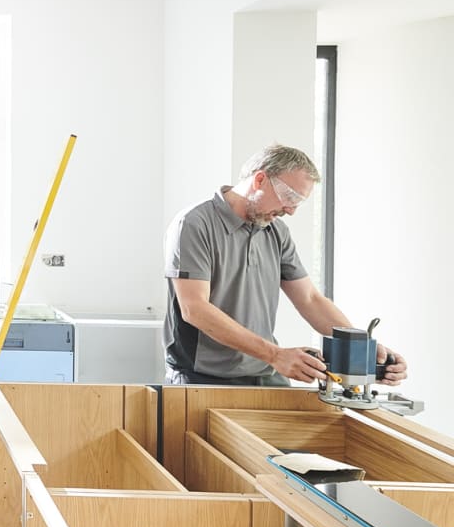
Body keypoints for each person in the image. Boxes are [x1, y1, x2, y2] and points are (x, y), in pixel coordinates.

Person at [164, 144, 407, 387]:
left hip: (264, 374)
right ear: (260, 180)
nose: (290, 210)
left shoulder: (276, 231)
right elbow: (195, 309)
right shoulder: (195, 224)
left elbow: (310, 299)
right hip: (201, 378)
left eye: (298, 202)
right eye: (290, 197)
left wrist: (362, 351)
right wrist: (275, 355)